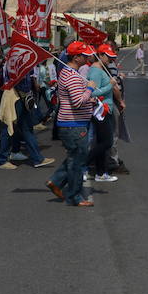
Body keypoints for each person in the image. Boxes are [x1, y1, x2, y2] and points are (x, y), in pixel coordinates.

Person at [46, 41, 97, 207]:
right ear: (76, 57)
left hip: (72, 122)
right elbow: (76, 102)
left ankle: (56, 181)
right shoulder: (73, 76)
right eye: (84, 55)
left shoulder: (69, 73)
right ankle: (75, 196)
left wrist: (90, 99)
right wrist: (89, 89)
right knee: (78, 161)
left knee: (75, 157)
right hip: (73, 124)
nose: (87, 57)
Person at [87, 44, 117, 182]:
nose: (110, 59)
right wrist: (110, 85)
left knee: (101, 142)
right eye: (108, 56)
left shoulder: (102, 69)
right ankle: (83, 163)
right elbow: (92, 92)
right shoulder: (95, 71)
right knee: (107, 142)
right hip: (101, 111)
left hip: (105, 109)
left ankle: (100, 173)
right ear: (100, 55)